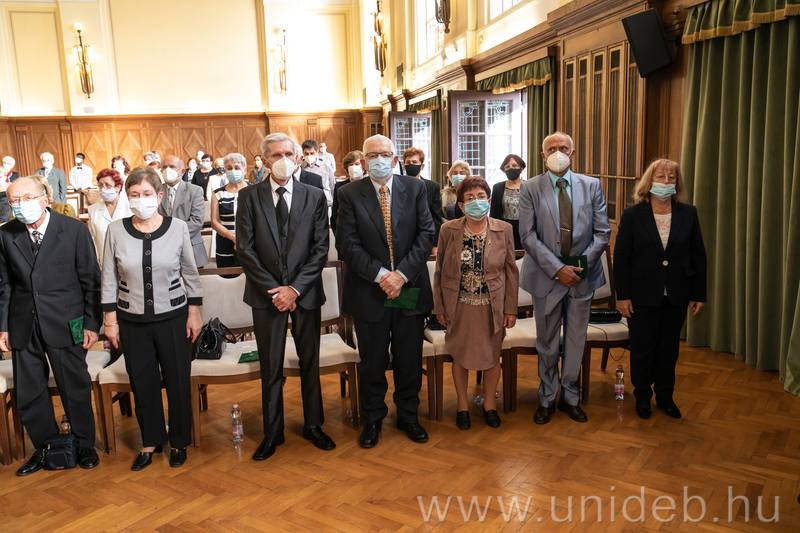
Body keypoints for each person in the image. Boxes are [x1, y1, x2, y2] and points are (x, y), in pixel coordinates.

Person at [236, 132, 334, 461]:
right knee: (271, 365)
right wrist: (276, 291)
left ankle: (313, 424)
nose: (283, 160)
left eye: (288, 154)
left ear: (298, 157)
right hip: (266, 295)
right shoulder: (249, 196)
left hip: (305, 293)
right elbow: (245, 249)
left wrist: (294, 289)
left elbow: (320, 248)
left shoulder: (314, 194)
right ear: (265, 160)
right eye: (276, 155)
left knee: (310, 362)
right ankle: (272, 431)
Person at [336, 134, 435, 448]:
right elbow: (346, 244)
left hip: (408, 286)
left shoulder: (415, 188)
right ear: (364, 162)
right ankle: (373, 419)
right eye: (372, 155)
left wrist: (401, 275)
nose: (378, 159)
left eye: (384, 154)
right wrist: (383, 276)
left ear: (394, 159)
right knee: (372, 361)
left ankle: (408, 416)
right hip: (369, 289)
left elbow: (426, 234)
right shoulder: (348, 193)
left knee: (409, 358)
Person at [101, 167, 203, 471]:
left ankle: (179, 440)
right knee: (142, 381)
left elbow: (190, 273)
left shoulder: (177, 227)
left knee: (177, 380)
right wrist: (110, 321)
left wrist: (194, 312)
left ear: (158, 197)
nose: (140, 199)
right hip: (131, 319)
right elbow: (108, 277)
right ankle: (151, 440)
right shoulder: (116, 230)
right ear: (127, 197)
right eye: (134, 194)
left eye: (146, 194)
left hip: (173, 317)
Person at [0, 177, 101, 476]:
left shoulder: (74, 230)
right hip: (22, 322)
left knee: (74, 386)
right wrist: (3, 326)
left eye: (26, 198)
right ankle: (46, 447)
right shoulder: (5, 234)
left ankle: (84, 445)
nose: (20, 205)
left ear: (45, 198)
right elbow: (5, 285)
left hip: (67, 321)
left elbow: (91, 281)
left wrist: (91, 324)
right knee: (29, 392)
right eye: (14, 200)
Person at [519, 132, 610, 425]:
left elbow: (602, 232)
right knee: (546, 341)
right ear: (543, 156)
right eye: (551, 149)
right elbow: (527, 236)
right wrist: (558, 269)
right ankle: (546, 397)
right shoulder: (530, 187)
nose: (557, 152)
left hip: (581, 278)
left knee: (575, 339)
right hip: (546, 278)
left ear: (572, 153)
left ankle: (570, 396)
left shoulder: (591, 185)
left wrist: (578, 269)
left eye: (563, 148)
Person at [614, 159, 707, 420]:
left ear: (677, 183)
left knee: (668, 349)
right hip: (641, 294)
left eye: (671, 177)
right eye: (660, 176)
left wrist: (699, 293)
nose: (666, 181)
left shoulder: (689, 213)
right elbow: (621, 258)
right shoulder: (633, 214)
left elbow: (698, 255)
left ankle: (665, 396)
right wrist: (622, 296)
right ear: (649, 181)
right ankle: (642, 396)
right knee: (643, 348)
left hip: (677, 293)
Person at [433, 177, 518, 430]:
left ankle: (489, 405)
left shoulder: (504, 229)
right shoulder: (448, 230)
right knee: (460, 355)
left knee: (492, 356)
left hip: (492, 306)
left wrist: (511, 309)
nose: (476, 201)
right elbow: (439, 271)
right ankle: (462, 406)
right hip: (458, 305)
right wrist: (439, 307)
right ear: (460, 205)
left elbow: (511, 272)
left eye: (481, 196)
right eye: (469, 198)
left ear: (489, 201)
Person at [157, 155, 208, 269]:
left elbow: (197, 221)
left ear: (182, 171)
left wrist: (173, 237)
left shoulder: (194, 190)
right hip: (162, 249)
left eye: (172, 167)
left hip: (190, 246)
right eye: (164, 167)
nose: (167, 170)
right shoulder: (156, 191)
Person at [211, 153, 249, 268]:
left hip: (250, 243)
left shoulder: (254, 191)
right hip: (225, 242)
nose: (233, 171)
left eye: (237, 168)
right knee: (228, 276)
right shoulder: (218, 193)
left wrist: (243, 240)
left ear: (244, 170)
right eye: (229, 168)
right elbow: (215, 222)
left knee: (251, 276)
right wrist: (234, 238)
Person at [88, 168, 132, 265]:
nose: (103, 189)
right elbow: (93, 239)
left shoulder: (129, 207)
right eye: (100, 185)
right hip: (103, 262)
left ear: (118, 187)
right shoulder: (93, 209)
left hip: (128, 261)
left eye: (107, 185)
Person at [402, 147, 442, 254]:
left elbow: (436, 218)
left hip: (425, 241)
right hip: (402, 241)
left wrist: (435, 244)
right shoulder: (396, 186)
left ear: (422, 166)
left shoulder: (433, 187)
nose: (411, 165)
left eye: (415, 162)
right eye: (408, 162)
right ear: (404, 166)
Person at [490, 155, 526, 250]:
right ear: (504, 170)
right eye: (507, 166)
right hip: (504, 230)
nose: (511, 168)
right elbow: (494, 213)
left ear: (521, 168)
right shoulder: (498, 187)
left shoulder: (529, 186)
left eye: (514, 165)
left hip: (526, 230)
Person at [330, 150, 365, 235]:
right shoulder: (339, 187)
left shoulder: (369, 185)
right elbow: (335, 214)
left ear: (363, 166)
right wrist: (338, 235)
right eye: (351, 165)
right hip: (345, 232)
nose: (354, 167)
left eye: (357, 164)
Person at [301, 139, 335, 206]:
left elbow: (332, 187)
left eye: (312, 153)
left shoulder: (326, 167)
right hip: (306, 204)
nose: (309, 156)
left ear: (317, 152)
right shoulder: (300, 168)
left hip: (325, 204)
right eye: (306, 154)